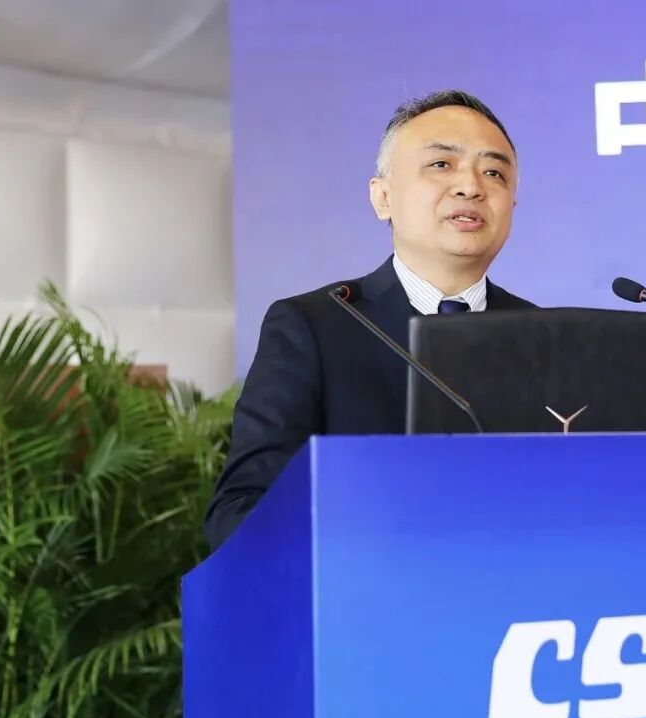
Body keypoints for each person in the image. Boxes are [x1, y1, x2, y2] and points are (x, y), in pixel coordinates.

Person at [204, 90, 535, 549]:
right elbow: (240, 511)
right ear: (383, 198)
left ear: (511, 206)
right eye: (441, 164)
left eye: (494, 172)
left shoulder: (542, 336)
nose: (471, 186)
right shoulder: (314, 326)